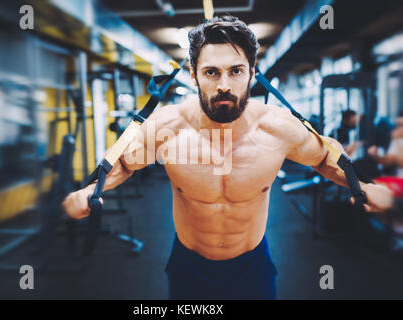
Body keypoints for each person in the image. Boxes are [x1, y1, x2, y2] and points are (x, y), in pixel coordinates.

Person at [62, 16, 392, 300]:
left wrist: (360, 185)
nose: (224, 85)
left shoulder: (277, 128)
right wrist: (89, 191)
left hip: (252, 265)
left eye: (236, 71)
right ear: (193, 75)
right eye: (211, 72)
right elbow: (123, 162)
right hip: (189, 266)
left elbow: (323, 156)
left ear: (252, 73)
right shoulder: (167, 127)